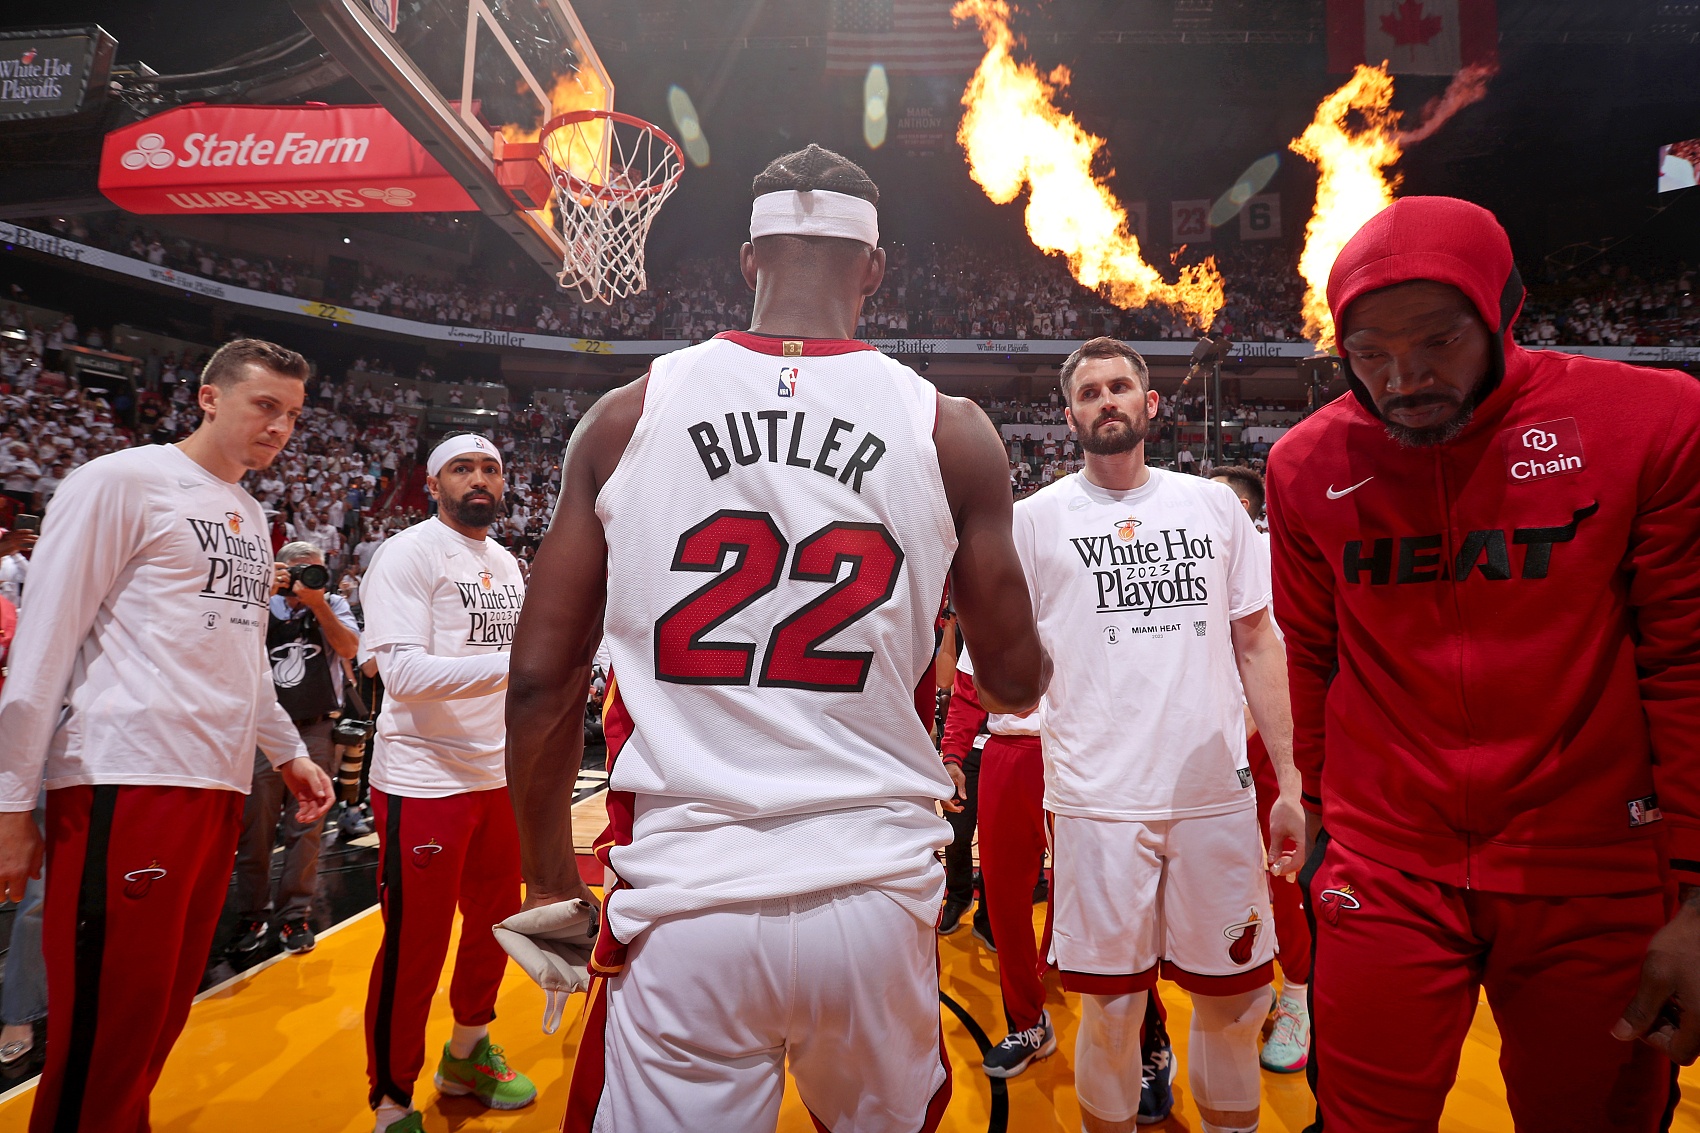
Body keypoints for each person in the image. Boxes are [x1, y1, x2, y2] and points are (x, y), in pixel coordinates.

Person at [505, 144, 1048, 1133]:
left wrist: (550, 887)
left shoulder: (625, 416)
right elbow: (1013, 682)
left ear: (748, 258)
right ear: (872, 268)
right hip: (875, 894)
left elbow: (541, 682)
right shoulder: (951, 430)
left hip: (686, 898)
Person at [1267, 195, 1700, 1132]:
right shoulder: (1305, 463)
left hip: (1592, 863)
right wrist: (1323, 813)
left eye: (1437, 341)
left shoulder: (1652, 420)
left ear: (1503, 311)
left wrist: (1699, 893)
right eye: (1369, 353)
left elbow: (1687, 663)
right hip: (1385, 860)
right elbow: (1310, 654)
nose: (1403, 378)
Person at [0, 338, 334, 1133]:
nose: (280, 427)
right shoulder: (120, 480)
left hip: (217, 782)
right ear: (208, 397)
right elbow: (43, 642)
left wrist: (287, 751)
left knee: (157, 1014)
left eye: (292, 415)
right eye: (265, 405)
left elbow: (244, 656)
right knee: (105, 1027)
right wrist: (11, 803)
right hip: (126, 778)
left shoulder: (249, 512)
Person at [1013, 337, 1304, 1133]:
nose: (1105, 400)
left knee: (1237, 1003)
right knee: (1112, 1015)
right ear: (1068, 415)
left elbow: (1258, 642)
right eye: (1088, 392)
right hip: (1099, 803)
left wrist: (1289, 778)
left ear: (1149, 404)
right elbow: (1005, 665)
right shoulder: (1032, 522)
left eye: (1119, 387)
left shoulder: (1213, 506)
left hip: (1215, 796)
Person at [360, 433, 533, 1133]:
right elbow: (401, 674)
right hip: (423, 776)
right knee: (417, 944)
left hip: (497, 774)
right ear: (433, 484)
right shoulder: (407, 554)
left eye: (490, 468)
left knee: (496, 926)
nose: (479, 478)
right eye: (463, 468)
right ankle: (391, 1097)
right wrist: (521, 663)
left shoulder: (506, 562)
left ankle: (466, 1053)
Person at [1209, 464, 1313, 1073]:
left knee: (1281, 873)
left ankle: (1299, 992)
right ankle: (1261, 976)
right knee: (1229, 877)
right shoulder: (1191, 561)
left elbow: (1288, 653)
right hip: (1211, 744)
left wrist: (1250, 720)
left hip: (1269, 742)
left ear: (1243, 511)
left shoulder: (1276, 557)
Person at [230, 539, 360, 957]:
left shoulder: (332, 604)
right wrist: (262, 592)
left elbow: (349, 649)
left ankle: (295, 914)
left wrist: (317, 604)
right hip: (263, 731)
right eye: (300, 571)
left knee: (308, 827)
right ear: (282, 570)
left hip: (315, 727)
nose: (308, 578)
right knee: (256, 827)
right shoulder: (259, 602)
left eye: (316, 570)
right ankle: (252, 913)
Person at [942, 644, 1051, 1077]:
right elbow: (968, 689)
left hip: (1085, 752)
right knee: (1004, 899)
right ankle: (1028, 1021)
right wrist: (952, 755)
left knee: (1103, 896)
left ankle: (1144, 1029)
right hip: (1007, 752)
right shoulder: (994, 608)